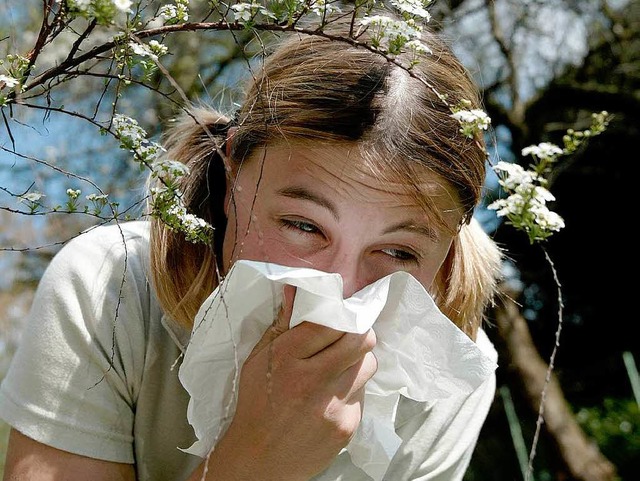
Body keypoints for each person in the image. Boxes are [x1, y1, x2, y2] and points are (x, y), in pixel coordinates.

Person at [0, 12, 502, 481]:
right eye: (302, 226)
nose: (341, 294)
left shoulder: (451, 377)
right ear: (235, 165)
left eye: (397, 253)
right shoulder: (108, 288)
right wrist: (254, 460)